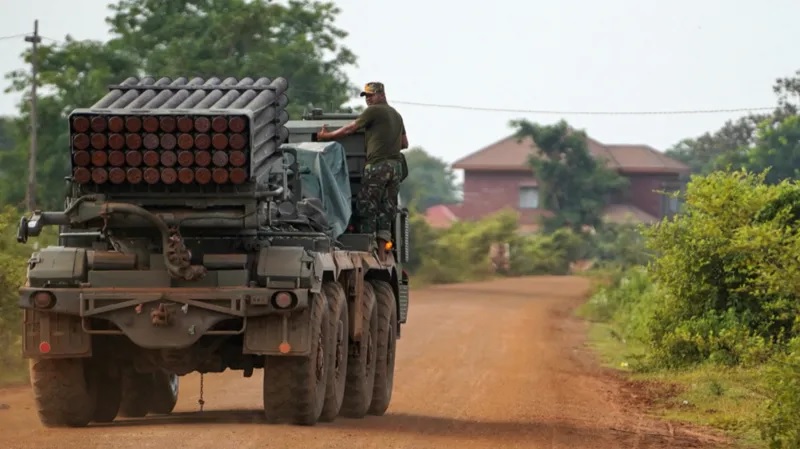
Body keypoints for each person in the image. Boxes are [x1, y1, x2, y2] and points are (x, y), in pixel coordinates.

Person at [316, 81, 408, 243]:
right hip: (395, 168)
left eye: (372, 95)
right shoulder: (396, 115)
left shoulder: (373, 111)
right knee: (386, 209)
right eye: (366, 96)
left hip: (378, 166)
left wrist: (327, 136)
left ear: (382, 95)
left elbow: (350, 129)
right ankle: (381, 249)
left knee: (367, 206)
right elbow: (404, 143)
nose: (368, 99)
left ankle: (367, 244)